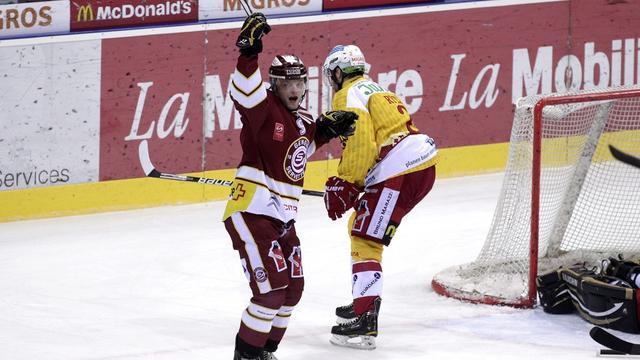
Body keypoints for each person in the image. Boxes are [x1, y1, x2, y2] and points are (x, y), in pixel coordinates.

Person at [223, 14, 357, 360]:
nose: (295, 89)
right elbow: (243, 91)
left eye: (299, 83)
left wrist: (326, 131)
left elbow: (299, 152)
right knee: (270, 291)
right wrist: (248, 51)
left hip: (282, 219)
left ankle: (265, 350)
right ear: (275, 86)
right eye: (287, 84)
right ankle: (246, 356)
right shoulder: (262, 111)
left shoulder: (306, 121)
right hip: (252, 213)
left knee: (292, 290)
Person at [321, 44, 439, 350]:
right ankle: (365, 299)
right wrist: (357, 185)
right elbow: (377, 142)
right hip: (420, 167)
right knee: (362, 227)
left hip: (398, 170)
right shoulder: (375, 89)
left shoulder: (346, 93)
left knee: (365, 239)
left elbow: (361, 143)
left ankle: (365, 321)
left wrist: (346, 182)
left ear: (337, 71)